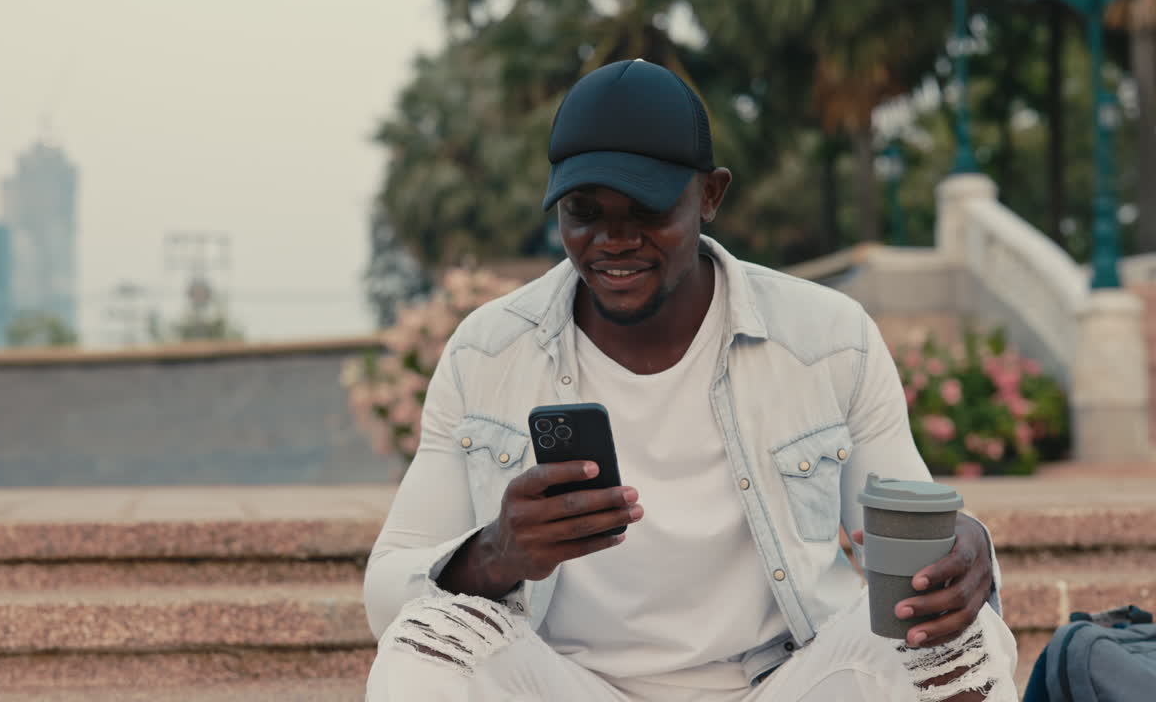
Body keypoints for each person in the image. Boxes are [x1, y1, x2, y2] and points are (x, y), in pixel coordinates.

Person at [363, 59, 1017, 702]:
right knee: (427, 640)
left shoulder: (825, 340)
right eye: (584, 211)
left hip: (784, 684)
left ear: (710, 195)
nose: (612, 240)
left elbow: (915, 532)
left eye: (646, 210)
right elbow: (387, 590)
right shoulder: (489, 352)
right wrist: (497, 553)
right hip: (568, 685)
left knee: (961, 641)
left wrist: (966, 552)